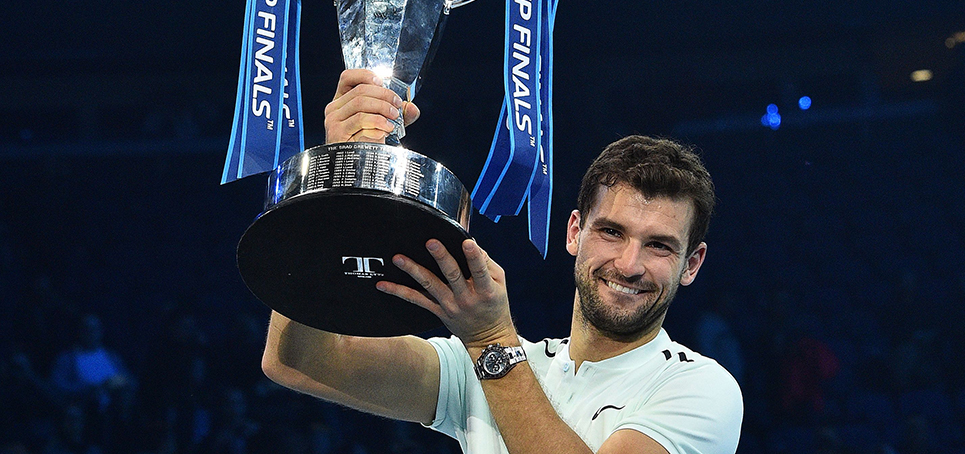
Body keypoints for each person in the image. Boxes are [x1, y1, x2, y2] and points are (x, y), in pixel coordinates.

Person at [262, 69, 743, 454]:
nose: (630, 263)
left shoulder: (700, 388)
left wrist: (492, 340)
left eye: (659, 245)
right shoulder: (484, 366)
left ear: (692, 263)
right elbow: (298, 358)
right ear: (575, 232)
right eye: (611, 232)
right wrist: (334, 187)